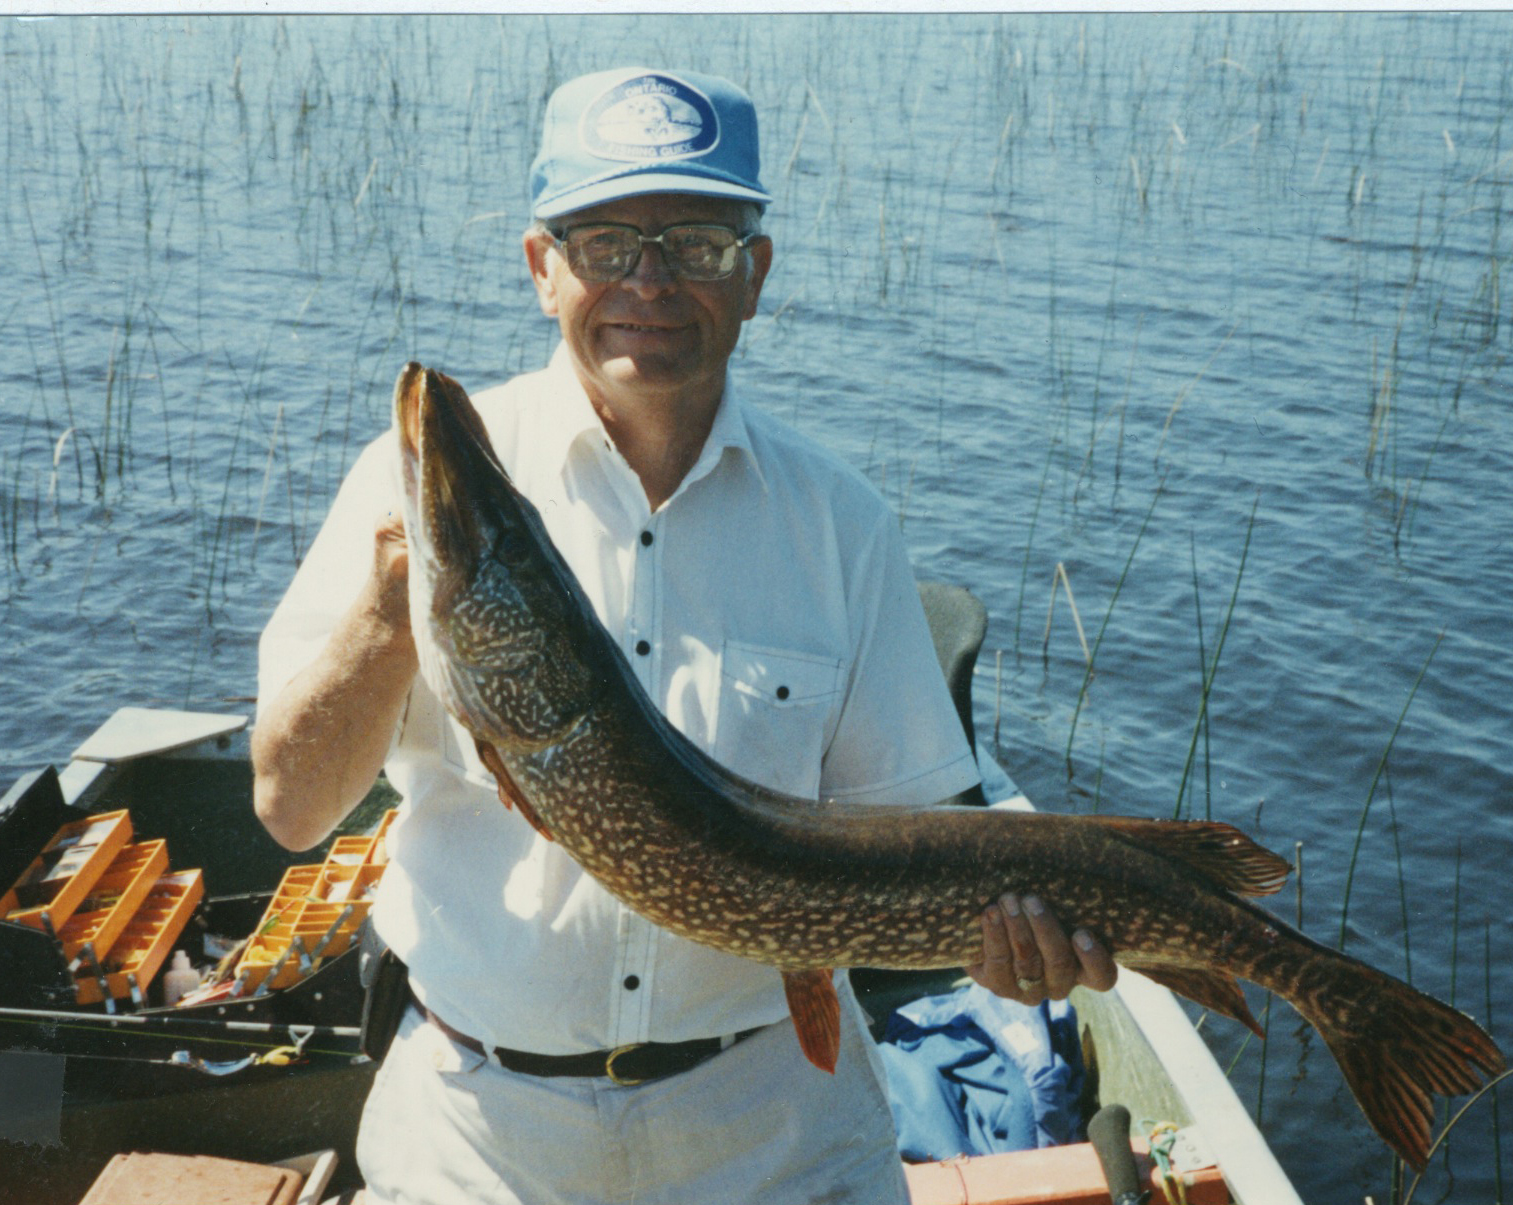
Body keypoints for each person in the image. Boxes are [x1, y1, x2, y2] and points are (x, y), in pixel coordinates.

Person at [252, 66, 1117, 1205]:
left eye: (697, 244)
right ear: (541, 267)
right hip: (480, 1140)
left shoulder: (839, 522)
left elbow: (906, 840)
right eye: (605, 242)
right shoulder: (395, 496)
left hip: (774, 1141)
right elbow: (290, 807)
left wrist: (1007, 943)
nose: (648, 282)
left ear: (752, 275)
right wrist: (382, 615)